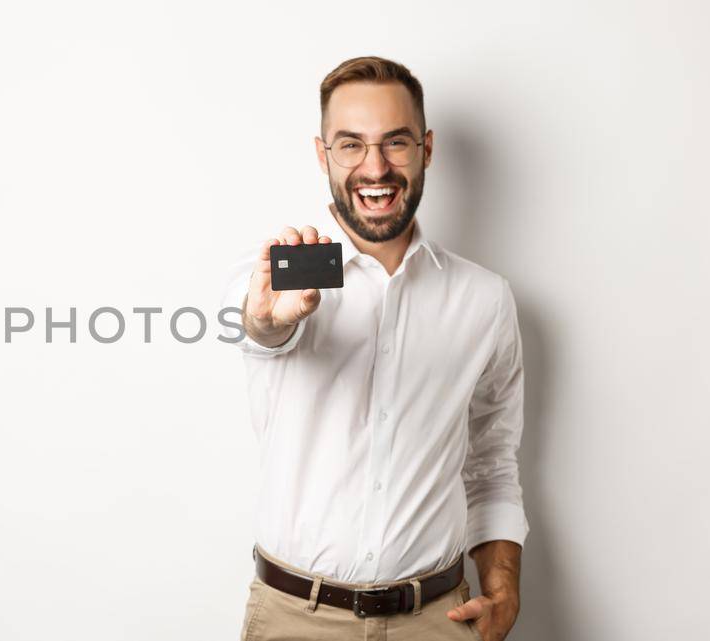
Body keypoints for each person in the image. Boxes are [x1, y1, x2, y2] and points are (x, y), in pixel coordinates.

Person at [222, 56, 527, 641]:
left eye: (396, 142)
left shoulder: (485, 300)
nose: (375, 166)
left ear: (427, 149)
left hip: (438, 619)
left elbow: (491, 462)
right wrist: (267, 320)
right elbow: (258, 329)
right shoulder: (272, 279)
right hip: (295, 621)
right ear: (322, 155)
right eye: (351, 145)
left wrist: (505, 588)